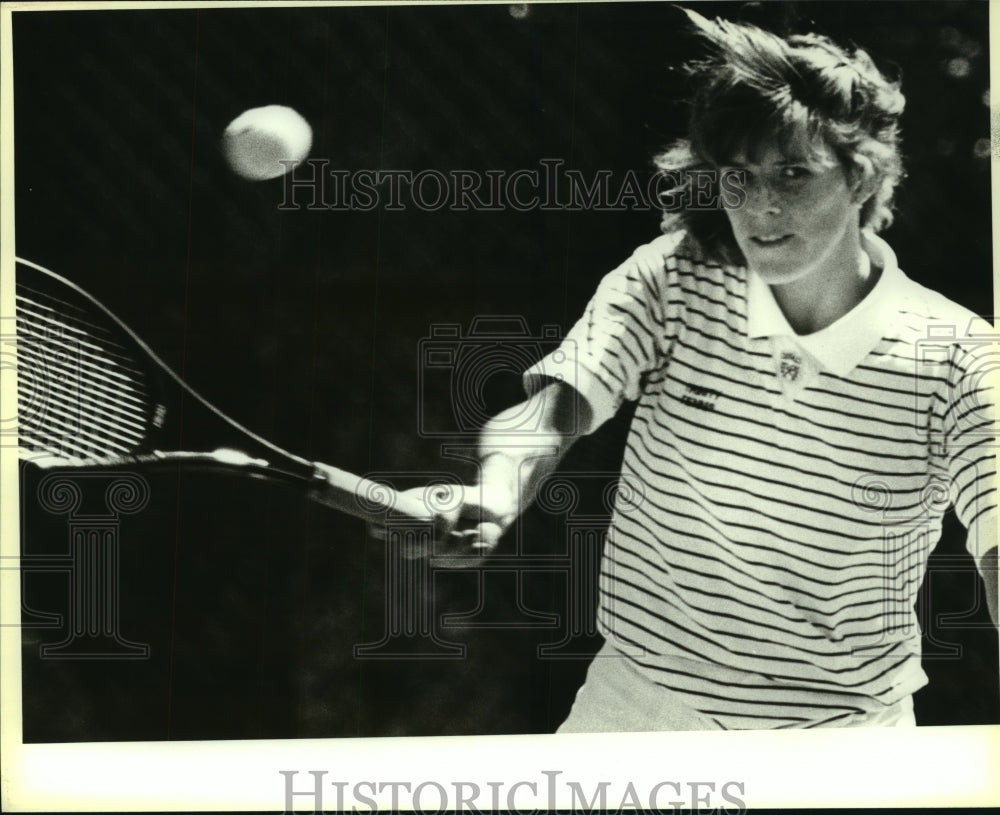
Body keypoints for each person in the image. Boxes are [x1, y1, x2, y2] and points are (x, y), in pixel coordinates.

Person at [384, 8, 998, 730]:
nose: (761, 204)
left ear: (863, 180)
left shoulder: (958, 355)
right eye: (739, 174)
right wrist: (492, 492)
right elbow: (550, 412)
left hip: (842, 734)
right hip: (640, 703)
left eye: (795, 172)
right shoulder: (672, 279)